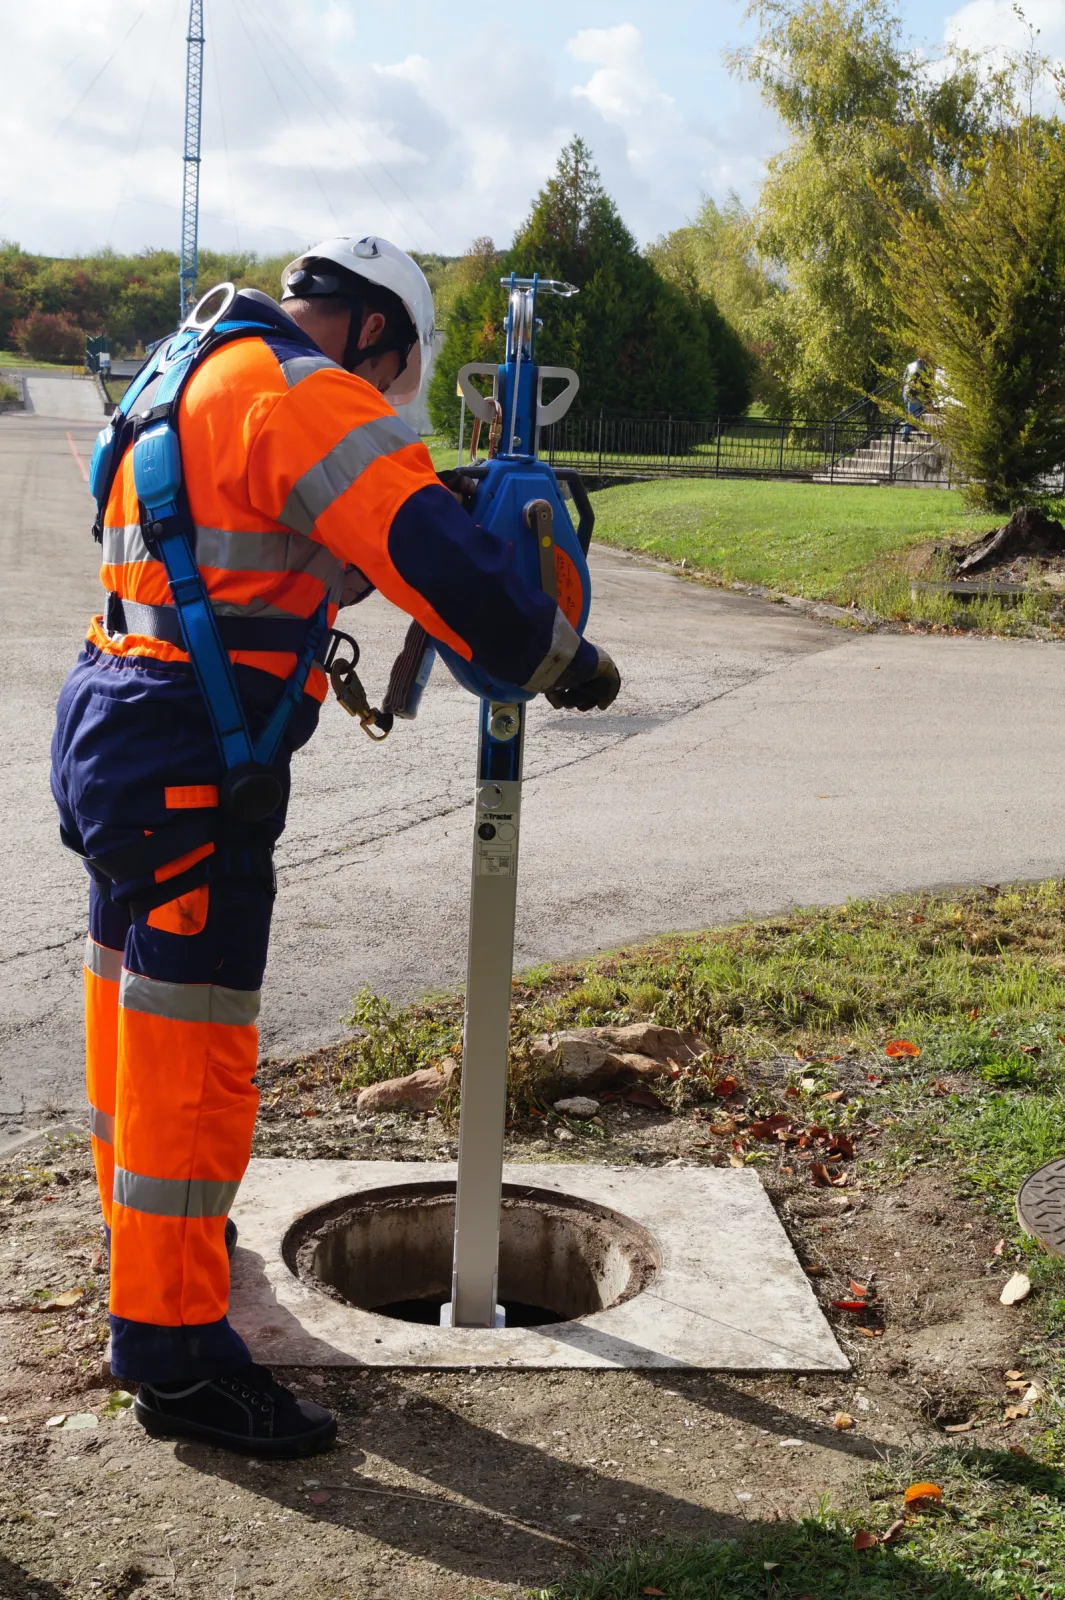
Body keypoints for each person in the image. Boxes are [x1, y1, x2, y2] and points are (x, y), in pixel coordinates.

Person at [50, 234, 620, 1460]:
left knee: (130, 1021)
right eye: (399, 374)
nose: (388, 400)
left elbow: (251, 546)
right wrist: (560, 658)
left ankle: (161, 1248)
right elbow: (434, 559)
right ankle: (175, 1352)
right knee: (195, 1057)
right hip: (196, 761)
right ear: (376, 335)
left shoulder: (192, 364)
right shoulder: (309, 392)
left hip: (116, 720)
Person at [901, 358, 931, 442]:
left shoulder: (910, 365)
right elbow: (926, 380)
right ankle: (905, 435)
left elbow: (904, 379)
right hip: (915, 392)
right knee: (912, 414)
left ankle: (914, 425)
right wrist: (929, 392)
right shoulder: (924, 366)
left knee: (919, 409)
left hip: (907, 391)